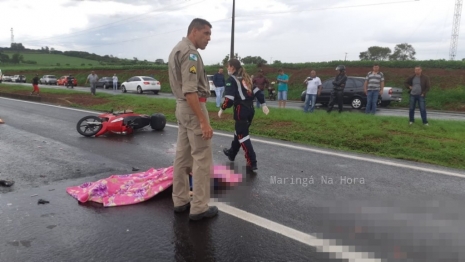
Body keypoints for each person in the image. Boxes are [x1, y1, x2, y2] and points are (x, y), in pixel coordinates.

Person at [168, 18, 217, 221]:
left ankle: (180, 200)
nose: (209, 38)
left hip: (182, 107)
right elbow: (190, 91)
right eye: (206, 33)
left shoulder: (177, 48)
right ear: (194, 31)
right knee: (202, 157)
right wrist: (204, 121)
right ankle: (199, 207)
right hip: (192, 106)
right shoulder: (191, 53)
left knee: (182, 156)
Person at [218, 58, 269, 171]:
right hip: (250, 110)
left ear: (233, 68)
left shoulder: (231, 80)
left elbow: (229, 99)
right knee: (240, 132)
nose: (227, 68)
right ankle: (232, 153)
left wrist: (222, 108)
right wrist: (264, 104)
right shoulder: (246, 79)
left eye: (228, 66)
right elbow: (257, 92)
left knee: (243, 136)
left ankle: (252, 162)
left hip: (241, 111)